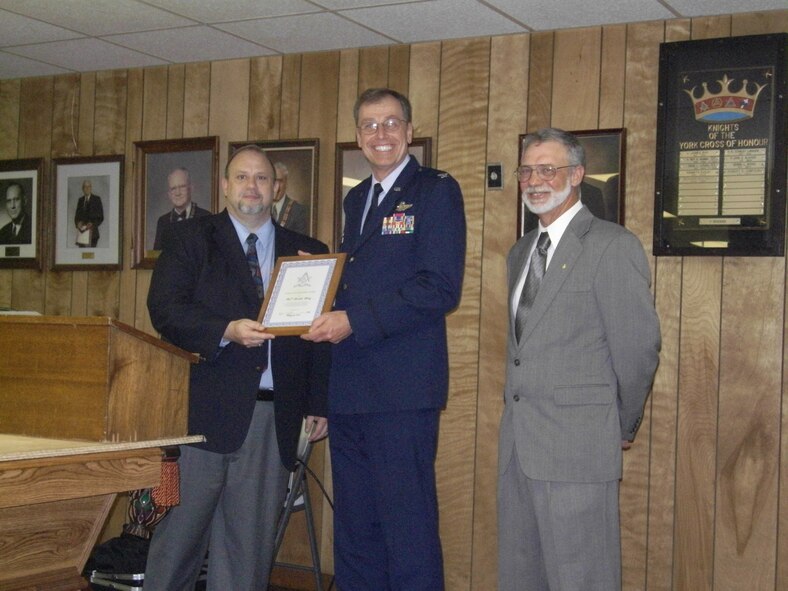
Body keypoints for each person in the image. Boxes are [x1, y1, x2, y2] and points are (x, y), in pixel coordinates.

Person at [144, 145, 330, 591]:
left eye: (262, 178)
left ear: (276, 188)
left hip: (272, 418)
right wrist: (225, 328)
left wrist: (318, 402)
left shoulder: (308, 251)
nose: (252, 186)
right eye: (242, 177)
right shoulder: (189, 239)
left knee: (247, 550)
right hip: (201, 414)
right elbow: (165, 310)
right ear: (225, 186)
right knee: (179, 541)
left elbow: (321, 337)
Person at [303, 88, 466, 590]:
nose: (381, 134)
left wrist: (353, 320)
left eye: (391, 123)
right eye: (370, 126)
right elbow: (357, 281)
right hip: (351, 389)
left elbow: (439, 287)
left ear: (410, 132)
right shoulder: (357, 198)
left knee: (407, 529)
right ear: (357, 137)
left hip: (401, 391)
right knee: (355, 530)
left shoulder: (435, 190)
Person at [498, 128, 660, 591]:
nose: (534, 180)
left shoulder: (612, 245)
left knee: (582, 578)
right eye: (527, 170)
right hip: (518, 450)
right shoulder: (520, 253)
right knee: (522, 577)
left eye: (548, 169)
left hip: (578, 448)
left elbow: (638, 348)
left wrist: (620, 425)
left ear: (578, 175)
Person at [153, 167, 211, 250]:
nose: (178, 193)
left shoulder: (206, 217)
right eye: (173, 188)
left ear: (190, 189)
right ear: (169, 194)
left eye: (182, 187)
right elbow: (157, 257)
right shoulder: (163, 222)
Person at [271, 161, 308, 235]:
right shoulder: (260, 208)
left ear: (286, 183)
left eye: (280, 181)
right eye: (274, 181)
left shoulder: (297, 211)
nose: (277, 187)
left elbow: (300, 242)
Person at [74, 179, 104, 247]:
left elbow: (101, 217)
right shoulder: (80, 200)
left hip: (93, 234)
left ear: (91, 188)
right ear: (82, 189)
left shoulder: (97, 199)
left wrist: (92, 224)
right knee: (81, 255)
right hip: (82, 234)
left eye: (88, 186)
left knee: (92, 255)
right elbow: (76, 217)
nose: (87, 188)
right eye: (85, 187)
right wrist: (77, 223)